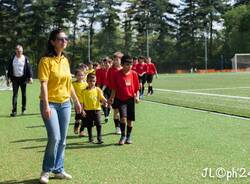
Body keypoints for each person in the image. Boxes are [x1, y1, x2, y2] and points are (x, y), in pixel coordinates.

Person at [38, 29, 81, 184]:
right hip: (50, 104)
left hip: (65, 104)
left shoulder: (65, 60)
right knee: (54, 137)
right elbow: (43, 84)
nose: (64, 41)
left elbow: (68, 83)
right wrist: (46, 105)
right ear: (53, 42)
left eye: (66, 39)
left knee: (62, 140)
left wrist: (75, 101)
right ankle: (46, 170)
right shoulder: (45, 61)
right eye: (60, 39)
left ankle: (58, 169)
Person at [109, 54, 139, 145]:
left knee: (130, 120)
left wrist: (137, 96)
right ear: (122, 64)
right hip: (120, 99)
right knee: (123, 118)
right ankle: (123, 136)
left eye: (130, 65)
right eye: (127, 64)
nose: (129, 66)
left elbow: (137, 88)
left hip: (130, 99)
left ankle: (128, 136)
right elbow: (114, 88)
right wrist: (111, 98)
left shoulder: (134, 74)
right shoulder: (117, 74)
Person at [79, 73, 107, 144]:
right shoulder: (83, 91)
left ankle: (99, 138)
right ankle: (90, 139)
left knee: (99, 124)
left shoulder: (98, 89)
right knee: (89, 125)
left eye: (94, 81)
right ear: (87, 81)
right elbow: (81, 102)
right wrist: (82, 110)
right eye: (90, 81)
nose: (92, 83)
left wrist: (105, 101)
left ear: (96, 81)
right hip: (87, 111)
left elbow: (102, 97)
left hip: (97, 110)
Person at [7, 45, 33, 117]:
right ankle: (14, 111)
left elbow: (29, 68)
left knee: (24, 94)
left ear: (22, 51)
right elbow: (9, 69)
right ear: (16, 51)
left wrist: (30, 77)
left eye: (21, 51)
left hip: (23, 79)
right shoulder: (12, 59)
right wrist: (8, 79)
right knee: (15, 95)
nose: (19, 52)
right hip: (15, 79)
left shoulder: (25, 59)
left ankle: (23, 109)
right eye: (18, 51)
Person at [106, 51, 123, 134]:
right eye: (114, 59)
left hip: (123, 94)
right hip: (113, 93)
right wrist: (111, 96)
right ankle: (117, 127)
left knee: (123, 112)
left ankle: (123, 126)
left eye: (117, 59)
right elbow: (108, 82)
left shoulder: (124, 69)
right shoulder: (110, 70)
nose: (116, 61)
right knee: (116, 111)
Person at [72, 69, 88, 136]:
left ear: (84, 76)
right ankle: (76, 127)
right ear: (75, 76)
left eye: (82, 75)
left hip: (85, 103)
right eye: (78, 75)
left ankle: (81, 131)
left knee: (84, 118)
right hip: (77, 103)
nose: (80, 77)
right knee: (78, 118)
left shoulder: (86, 84)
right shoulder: (73, 84)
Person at [96, 57, 112, 123]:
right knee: (103, 103)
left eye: (108, 63)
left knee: (109, 103)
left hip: (111, 89)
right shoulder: (101, 71)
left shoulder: (113, 70)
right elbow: (99, 82)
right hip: (104, 88)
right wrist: (99, 90)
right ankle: (106, 116)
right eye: (105, 63)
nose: (107, 64)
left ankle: (107, 111)